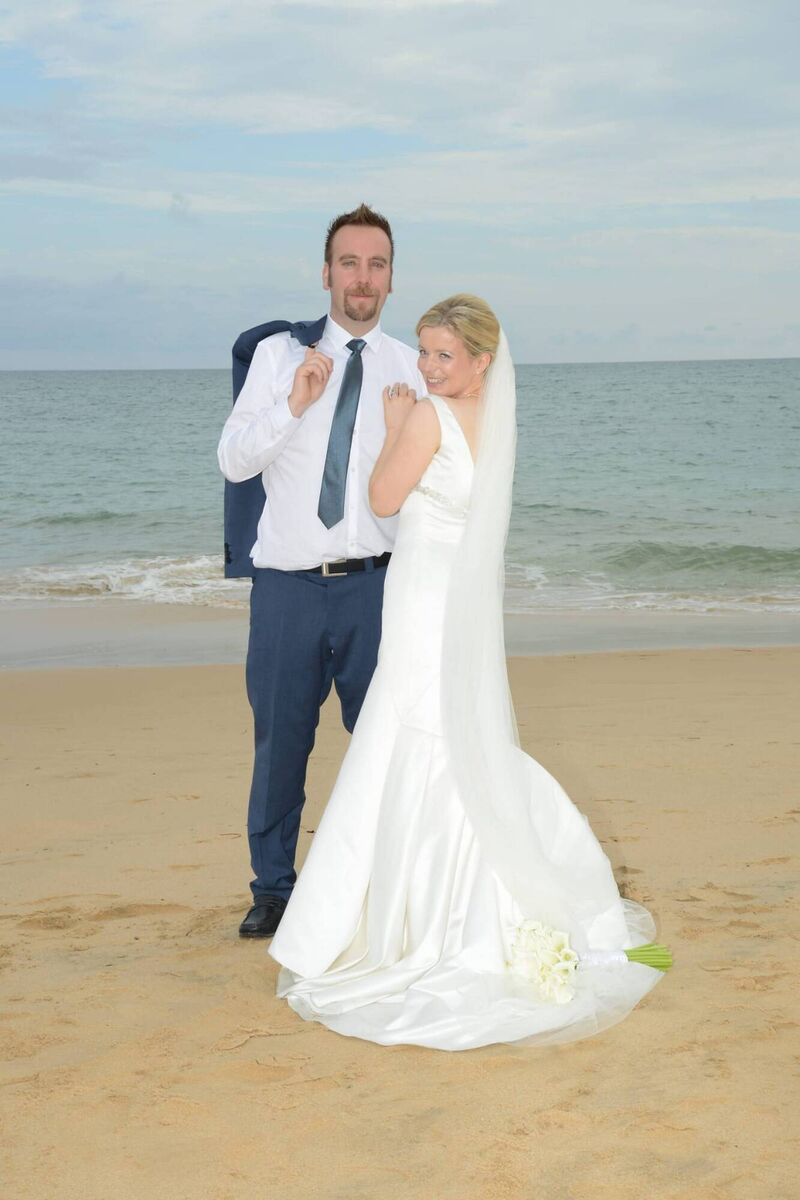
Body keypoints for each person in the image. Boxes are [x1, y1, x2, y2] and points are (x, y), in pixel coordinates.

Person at [268, 295, 671, 1051]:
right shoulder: (499, 421)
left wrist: (395, 427)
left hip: (425, 596)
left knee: (415, 727)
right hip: (466, 597)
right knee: (457, 730)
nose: (427, 367)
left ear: (482, 360)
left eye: (443, 355)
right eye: (423, 352)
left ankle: (421, 921)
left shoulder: (427, 417)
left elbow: (383, 500)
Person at [217, 204, 425, 939]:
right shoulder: (280, 358)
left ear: (391, 279)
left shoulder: (412, 368)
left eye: (376, 265)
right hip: (288, 590)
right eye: (349, 263)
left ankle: (382, 883)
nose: (362, 278)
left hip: (378, 589)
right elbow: (233, 460)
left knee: (385, 746)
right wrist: (294, 405)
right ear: (326, 273)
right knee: (280, 744)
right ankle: (274, 889)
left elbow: (431, 485)